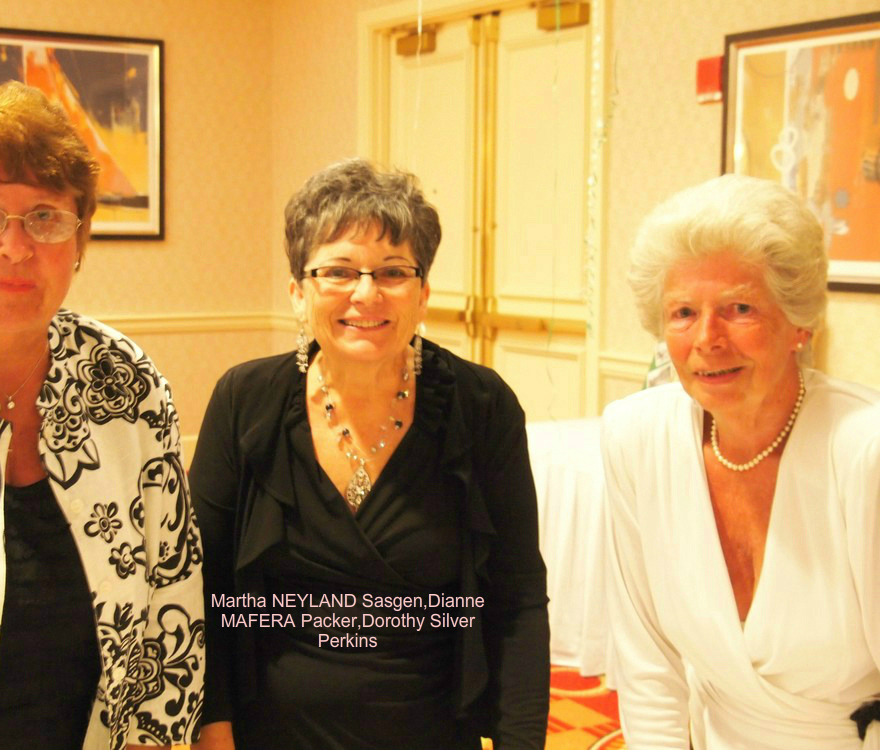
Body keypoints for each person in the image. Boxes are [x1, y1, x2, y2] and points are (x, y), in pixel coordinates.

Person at [0, 82, 204, 749]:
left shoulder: (125, 384)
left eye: (46, 217)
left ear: (79, 238)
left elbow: (173, 604)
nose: (15, 246)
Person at [190, 158, 549, 750]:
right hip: (271, 733)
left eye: (392, 272)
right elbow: (206, 588)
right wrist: (215, 731)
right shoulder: (244, 400)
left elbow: (518, 601)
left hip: (430, 733)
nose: (366, 293)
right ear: (298, 293)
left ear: (423, 293)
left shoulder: (482, 406)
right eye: (337, 271)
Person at [602, 174, 880, 748]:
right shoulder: (636, 437)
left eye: (740, 308)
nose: (707, 338)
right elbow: (648, 666)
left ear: (799, 322)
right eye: (683, 312)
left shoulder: (864, 449)